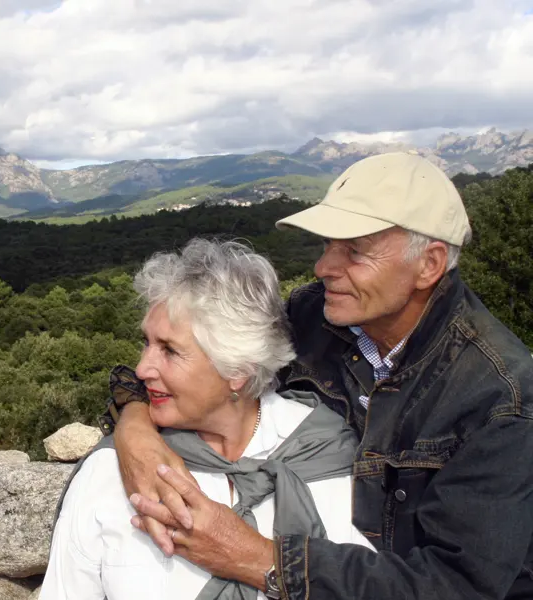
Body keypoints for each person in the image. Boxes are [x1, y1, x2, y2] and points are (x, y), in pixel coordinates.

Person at [111, 152, 533, 599]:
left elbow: (454, 588)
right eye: (326, 245)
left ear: (428, 265)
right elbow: (198, 369)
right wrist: (134, 429)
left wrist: (256, 557)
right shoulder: (314, 316)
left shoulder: (502, 400)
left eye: (354, 251)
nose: (324, 267)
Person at [39, 239, 373, 600]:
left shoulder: (335, 462)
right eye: (146, 343)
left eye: (169, 350)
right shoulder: (110, 472)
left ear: (237, 369)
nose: (141, 368)